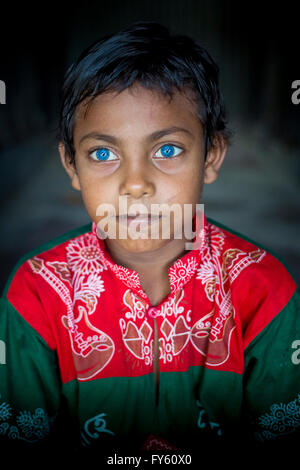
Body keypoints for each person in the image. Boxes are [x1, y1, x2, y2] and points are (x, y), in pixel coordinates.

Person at [0, 22, 299, 460]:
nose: (135, 184)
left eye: (168, 150)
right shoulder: (37, 294)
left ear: (211, 156)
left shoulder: (262, 288)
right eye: (103, 154)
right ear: (71, 164)